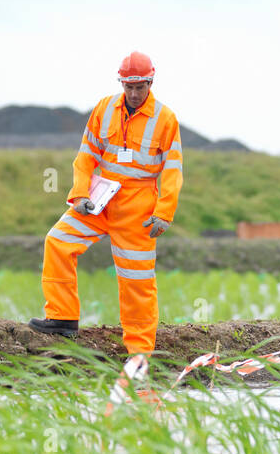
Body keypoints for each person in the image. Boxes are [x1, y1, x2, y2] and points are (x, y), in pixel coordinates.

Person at [30, 50, 183, 355]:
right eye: (129, 86)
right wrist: (81, 194)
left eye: (140, 86)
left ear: (151, 82)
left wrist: (163, 213)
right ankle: (62, 318)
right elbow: (87, 154)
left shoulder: (165, 119)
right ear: (121, 83)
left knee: (136, 280)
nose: (134, 93)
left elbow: (172, 169)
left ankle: (139, 352)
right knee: (58, 241)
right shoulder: (104, 108)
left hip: (138, 208)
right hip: (100, 199)